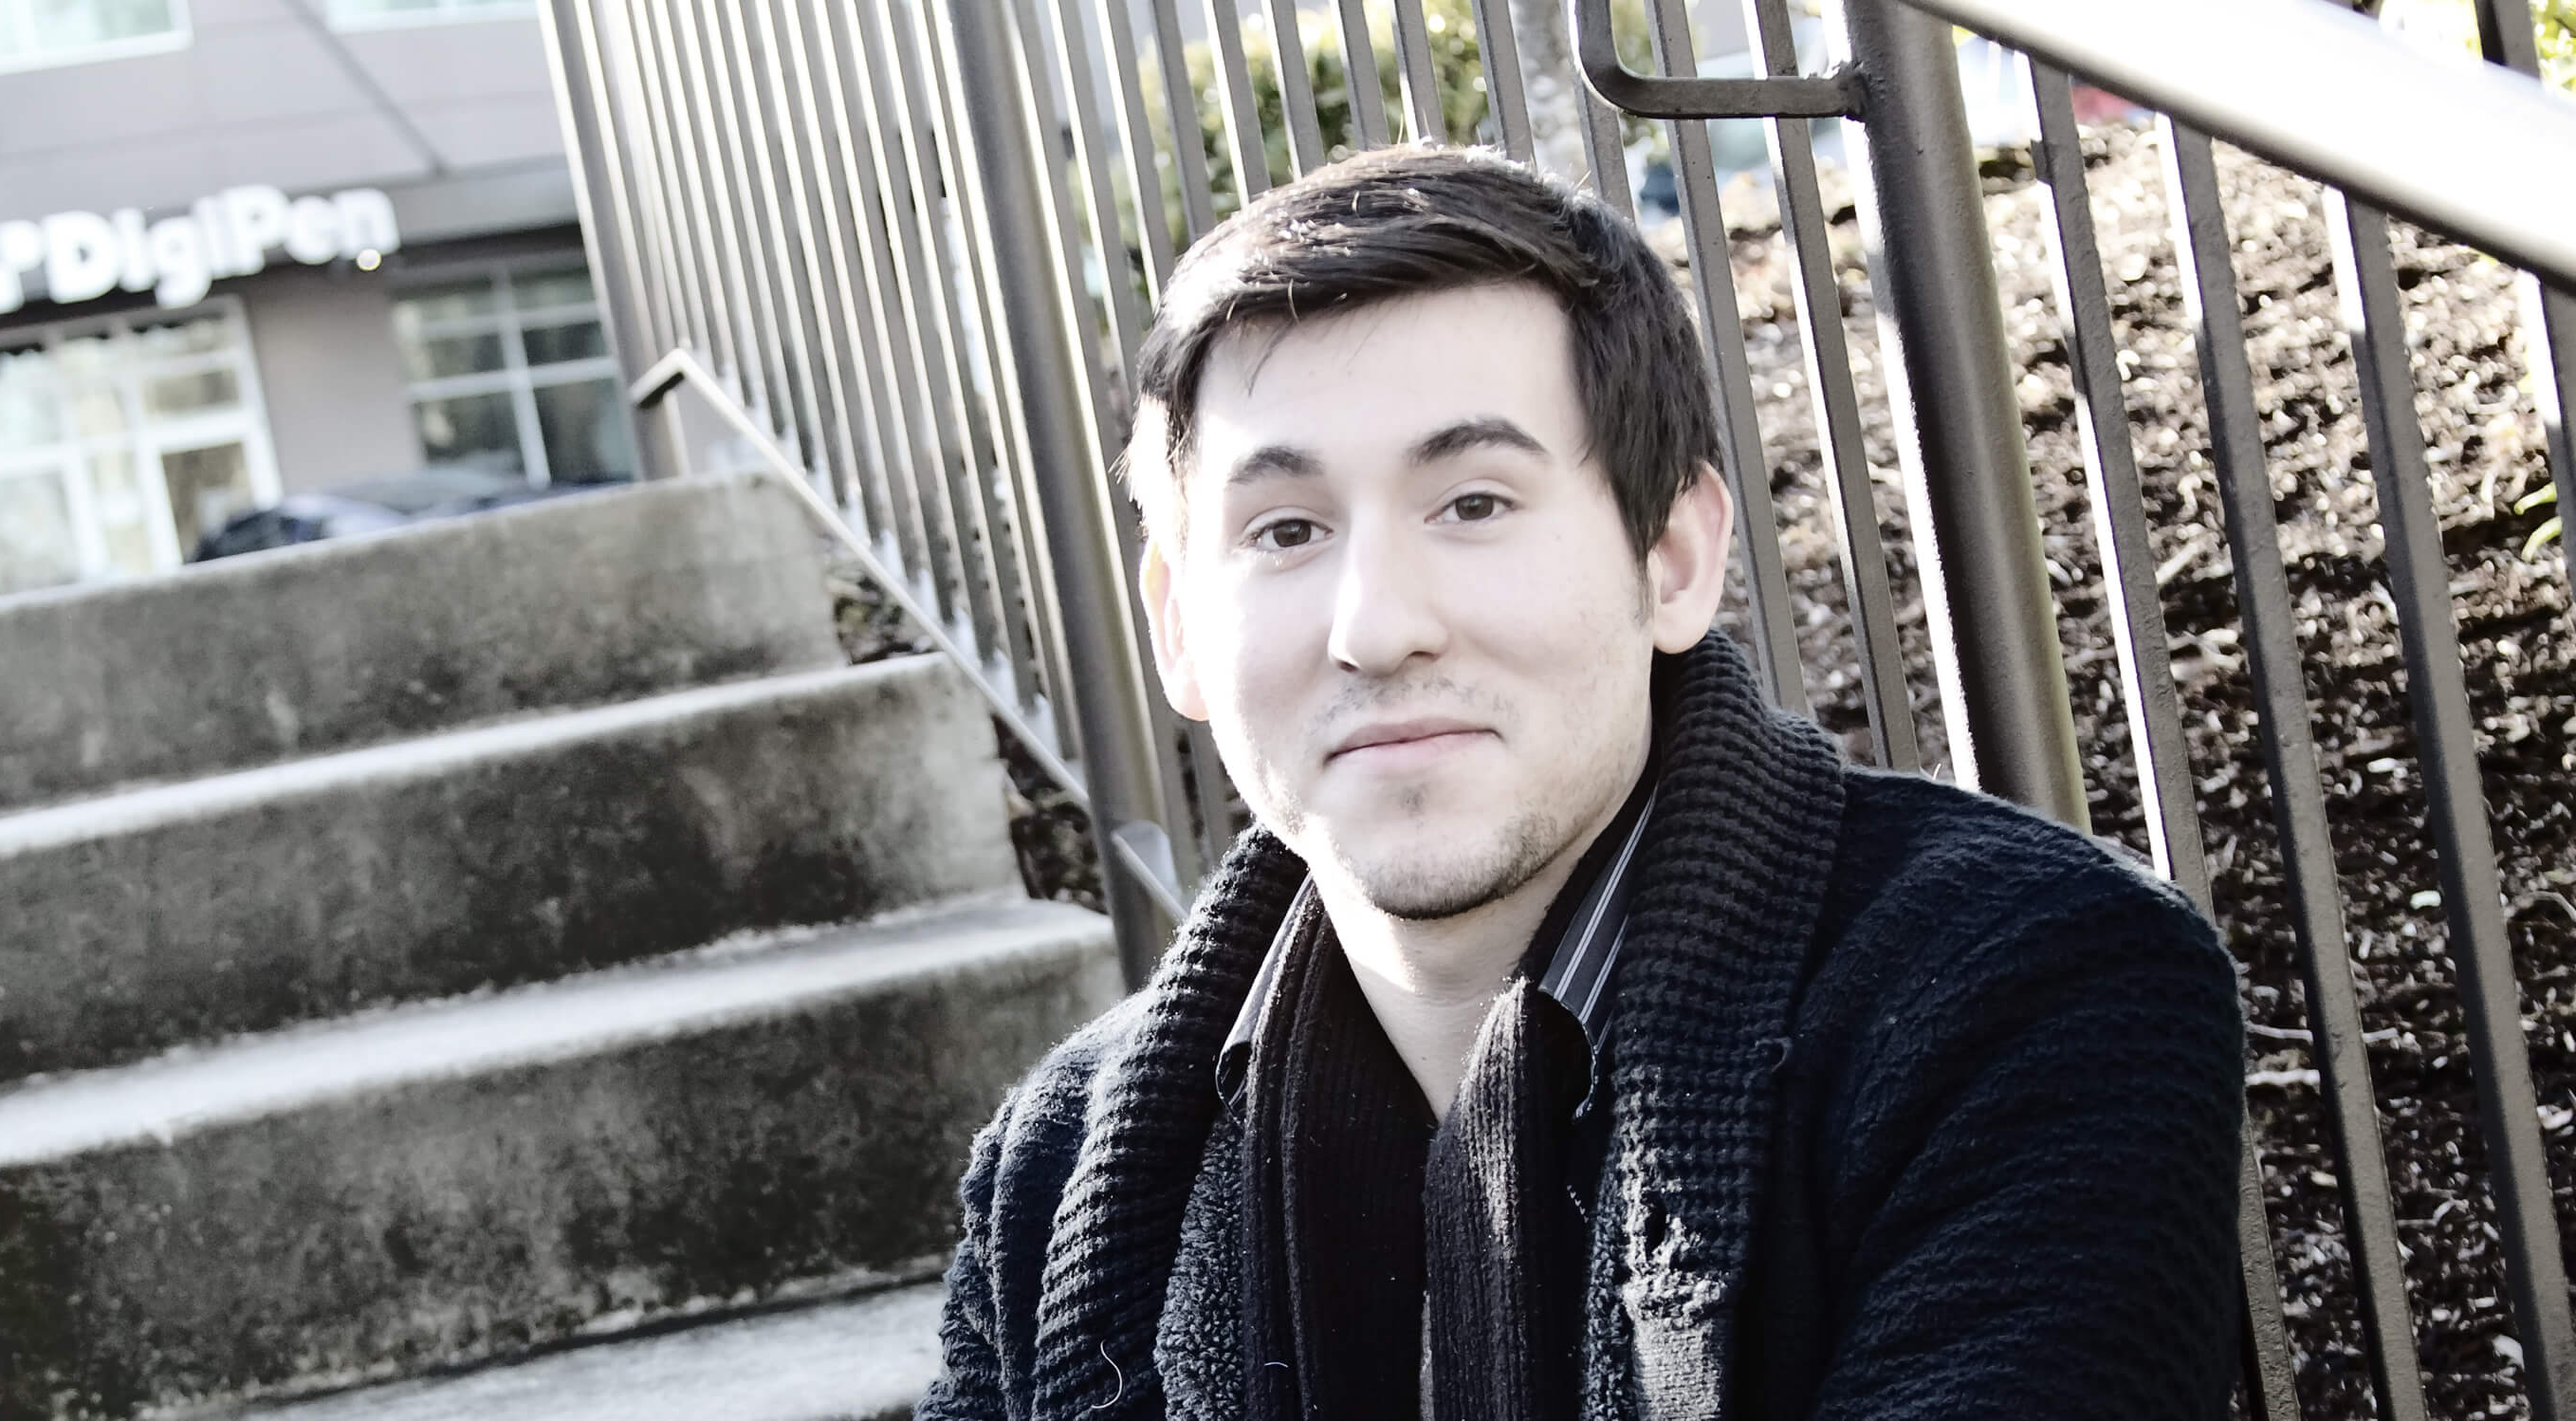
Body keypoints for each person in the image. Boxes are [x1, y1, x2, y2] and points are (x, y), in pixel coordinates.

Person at [916, 144, 2243, 1421]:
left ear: (1671, 557)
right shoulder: (1057, 1176)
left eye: (1474, 502)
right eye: (1287, 530)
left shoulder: (2029, 992)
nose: (1376, 624)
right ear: (1179, 630)